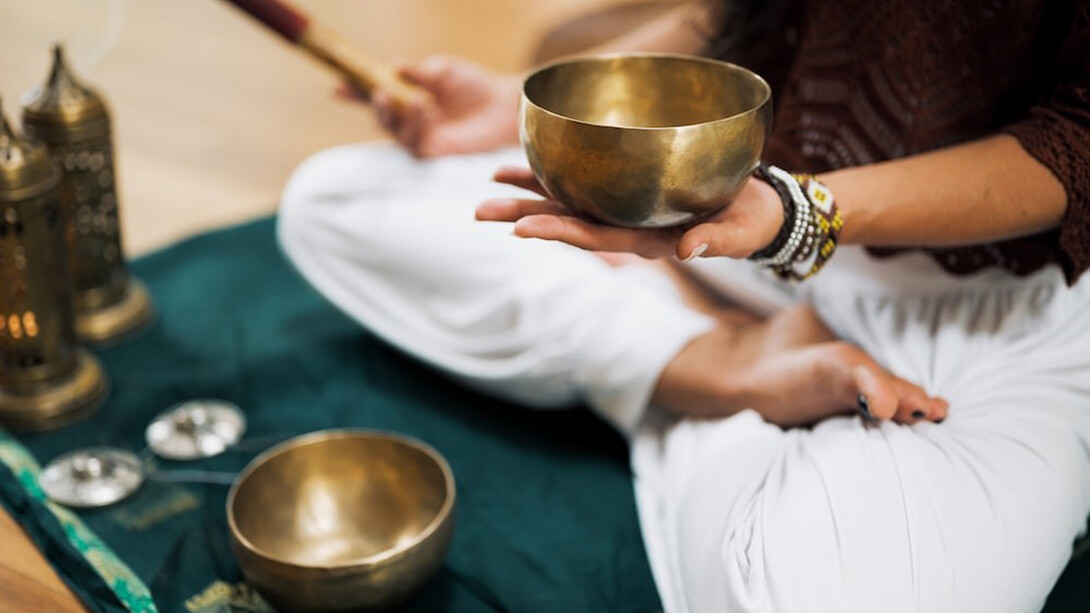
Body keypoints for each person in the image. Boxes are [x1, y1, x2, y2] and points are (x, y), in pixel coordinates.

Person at [278, 1, 1090, 611]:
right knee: (333, 202)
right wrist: (527, 109)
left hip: (997, 305)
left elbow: (1077, 138)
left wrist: (798, 214)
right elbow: (740, 12)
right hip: (736, 214)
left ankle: (668, 359)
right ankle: (713, 362)